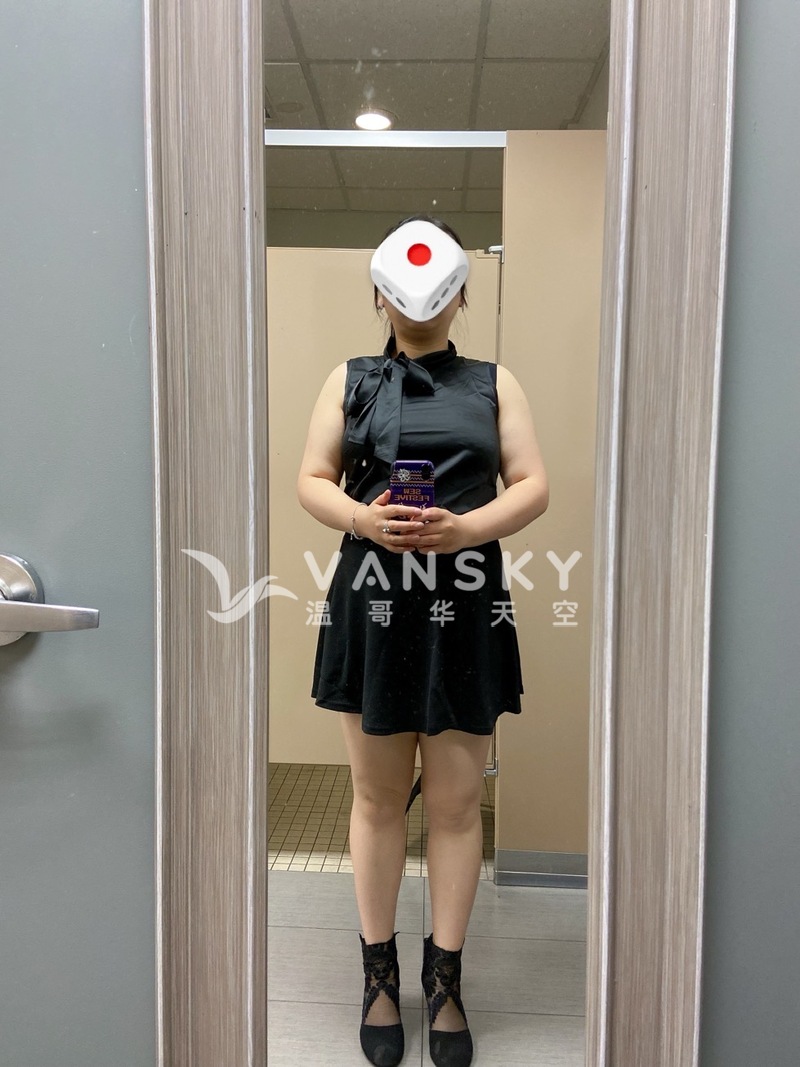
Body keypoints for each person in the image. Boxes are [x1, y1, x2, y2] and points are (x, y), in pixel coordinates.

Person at [297, 216, 549, 1067]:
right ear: (379, 295)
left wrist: (466, 528)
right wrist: (362, 518)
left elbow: (534, 484)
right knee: (376, 799)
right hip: (372, 600)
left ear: (460, 295)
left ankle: (445, 981)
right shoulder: (351, 380)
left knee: (453, 803)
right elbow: (311, 479)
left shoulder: (493, 383)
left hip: (464, 602)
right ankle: (379, 977)